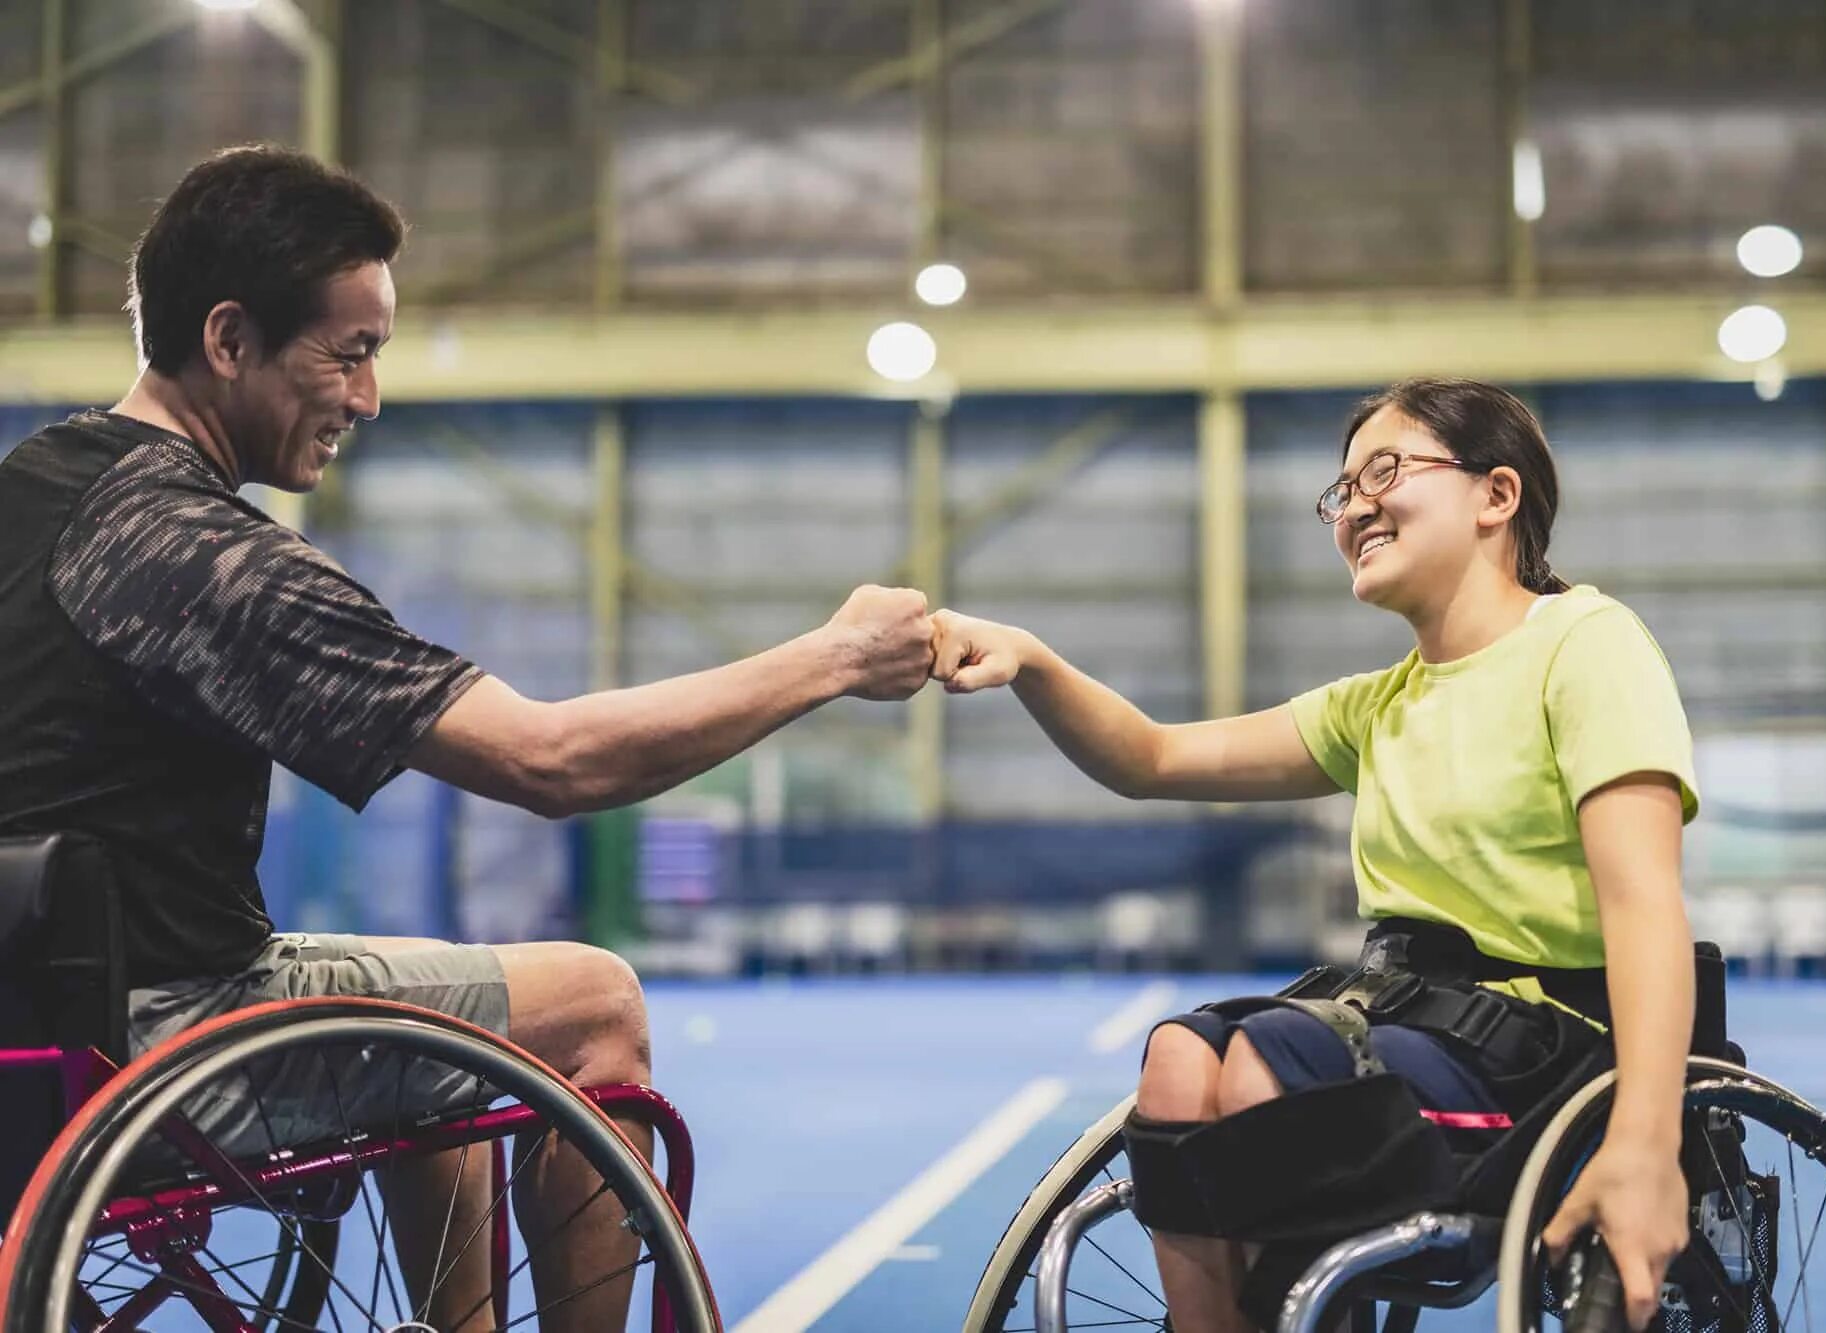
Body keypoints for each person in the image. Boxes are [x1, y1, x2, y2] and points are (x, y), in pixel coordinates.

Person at [0, 145, 934, 1332]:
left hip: (23, 1036)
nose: (367, 398)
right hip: (148, 1044)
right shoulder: (201, 553)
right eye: (350, 351)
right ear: (227, 340)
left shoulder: (31, 486)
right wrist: (834, 658)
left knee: (435, 1002)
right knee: (591, 998)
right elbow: (553, 761)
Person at [929, 377, 1699, 1332]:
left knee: (1269, 1059)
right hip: (1401, 1025)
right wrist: (1032, 660)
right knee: (1178, 1057)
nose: (1357, 505)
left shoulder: (1587, 642)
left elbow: (1643, 901)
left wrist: (1646, 1139)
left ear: (1497, 496)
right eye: (1342, 490)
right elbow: (1151, 757)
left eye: (1386, 469)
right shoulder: (1375, 705)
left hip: (1544, 1055)